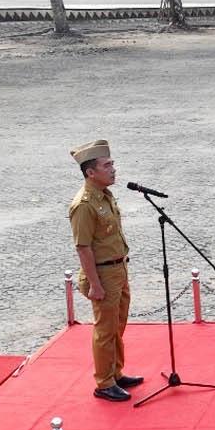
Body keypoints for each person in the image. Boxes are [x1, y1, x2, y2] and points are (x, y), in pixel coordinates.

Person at [68, 140, 141, 402]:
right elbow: (83, 247)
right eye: (107, 165)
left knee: (117, 324)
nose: (113, 169)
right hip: (102, 273)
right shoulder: (84, 205)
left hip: (118, 268)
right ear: (90, 172)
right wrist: (95, 284)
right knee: (105, 328)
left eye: (112, 164)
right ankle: (104, 382)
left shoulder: (105, 195)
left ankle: (116, 372)